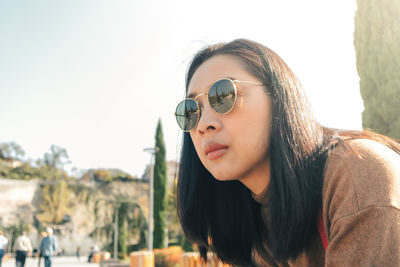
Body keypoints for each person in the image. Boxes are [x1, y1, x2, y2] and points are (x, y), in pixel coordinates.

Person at [175, 39, 400, 266]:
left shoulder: (357, 174)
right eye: (191, 111)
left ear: (278, 96)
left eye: (223, 95)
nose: (203, 124)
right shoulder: (251, 219)